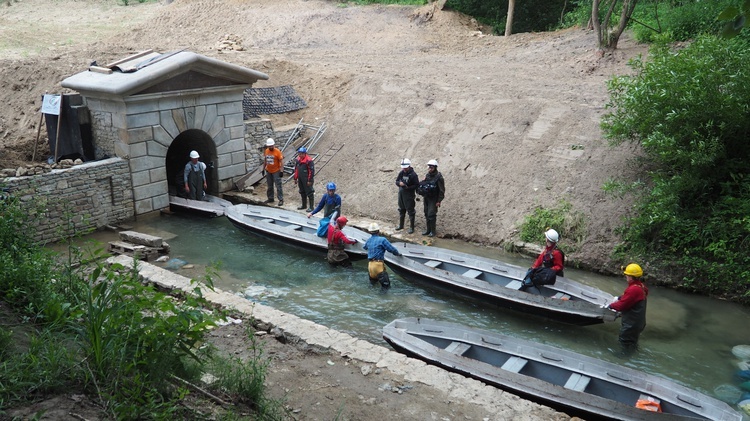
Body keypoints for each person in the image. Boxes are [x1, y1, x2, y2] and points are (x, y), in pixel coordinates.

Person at [607, 263, 649, 352]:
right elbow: (632, 298)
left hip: (631, 324)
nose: (625, 276)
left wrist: (610, 305)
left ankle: (623, 358)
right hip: (638, 323)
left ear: (630, 277)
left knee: (625, 342)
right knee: (632, 342)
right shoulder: (642, 286)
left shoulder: (633, 289)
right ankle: (632, 353)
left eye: (626, 275)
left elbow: (621, 305)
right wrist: (619, 298)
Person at [363, 222, 401, 289]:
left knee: (372, 286)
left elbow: (365, 247)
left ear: (370, 232)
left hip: (370, 266)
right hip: (378, 266)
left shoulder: (368, 240)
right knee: (386, 287)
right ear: (378, 231)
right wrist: (397, 254)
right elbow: (391, 249)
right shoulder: (382, 240)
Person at [418, 159, 445, 237]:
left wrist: (439, 201)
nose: (430, 169)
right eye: (429, 167)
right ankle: (428, 230)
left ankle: (433, 231)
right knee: (426, 213)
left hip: (434, 199)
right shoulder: (427, 175)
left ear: (435, 167)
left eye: (431, 167)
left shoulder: (439, 177)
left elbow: (441, 190)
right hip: (426, 197)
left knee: (431, 214)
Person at [395, 158, 419, 234]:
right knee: (401, 209)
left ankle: (412, 227)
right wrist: (399, 184)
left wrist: (408, 187)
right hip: (401, 194)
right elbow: (396, 181)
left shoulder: (413, 175)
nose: (404, 169)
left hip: (409, 195)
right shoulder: (401, 173)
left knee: (411, 211)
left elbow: (416, 185)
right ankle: (401, 225)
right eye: (403, 168)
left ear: (409, 166)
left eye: (405, 168)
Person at [262, 138, 284, 206]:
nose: (270, 147)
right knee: (270, 186)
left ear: (273, 145)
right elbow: (265, 160)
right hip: (269, 170)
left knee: (278, 186)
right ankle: (270, 198)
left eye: (271, 146)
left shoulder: (277, 151)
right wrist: (263, 169)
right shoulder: (266, 151)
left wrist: (281, 171)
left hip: (276, 171)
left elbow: (281, 161)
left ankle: (281, 199)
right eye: (269, 146)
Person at [293, 146, 315, 212]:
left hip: (306, 179)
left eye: (301, 154)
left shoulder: (309, 160)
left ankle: (311, 207)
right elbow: (296, 169)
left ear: (305, 153)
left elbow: (311, 171)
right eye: (299, 154)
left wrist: (309, 180)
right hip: (300, 179)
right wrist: (295, 178)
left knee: (310, 192)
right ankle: (304, 205)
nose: (300, 155)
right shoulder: (298, 160)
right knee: (302, 191)